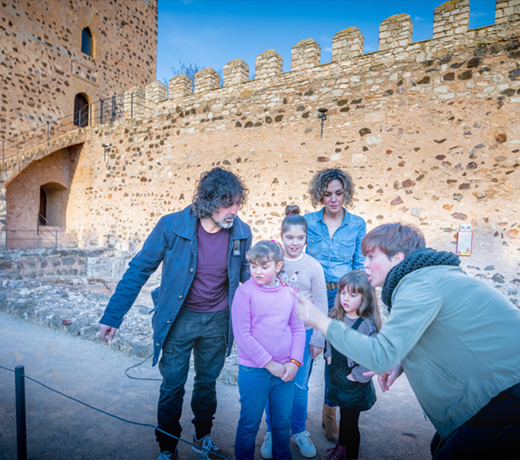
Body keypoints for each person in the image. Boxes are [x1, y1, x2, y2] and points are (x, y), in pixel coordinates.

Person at [295, 223, 520, 459]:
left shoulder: (419, 284)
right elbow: (439, 330)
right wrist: (401, 359)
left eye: (371, 257)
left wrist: (321, 321)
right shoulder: (431, 277)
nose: (365, 264)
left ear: (397, 258)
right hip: (497, 396)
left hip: (504, 400)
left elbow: (379, 356)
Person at [98, 167, 252, 460]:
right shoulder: (172, 226)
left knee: (207, 385)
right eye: (227, 203)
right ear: (208, 201)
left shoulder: (242, 233)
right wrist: (112, 316)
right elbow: (138, 270)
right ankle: (167, 447)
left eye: (237, 203)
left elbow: (248, 281)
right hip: (178, 320)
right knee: (172, 386)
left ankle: (203, 436)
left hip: (218, 321)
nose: (234, 210)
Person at [260, 205, 328, 459]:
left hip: (306, 334)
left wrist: (319, 338)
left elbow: (321, 304)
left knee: (299, 386)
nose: (295, 243)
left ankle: (298, 430)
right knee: (275, 384)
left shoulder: (313, 266)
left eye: (300, 238)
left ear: (306, 239)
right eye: (290, 238)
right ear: (281, 237)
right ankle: (273, 431)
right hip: (276, 335)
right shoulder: (273, 264)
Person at [304, 168, 366, 442]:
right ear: (320, 195)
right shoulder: (307, 222)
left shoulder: (357, 224)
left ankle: (330, 415)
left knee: (336, 359)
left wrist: (355, 303)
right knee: (305, 355)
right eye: (327, 194)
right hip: (313, 297)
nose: (333, 199)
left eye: (338, 193)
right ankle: (294, 416)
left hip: (342, 299)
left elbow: (357, 266)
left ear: (345, 194)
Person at [232, 240, 306, 460]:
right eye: (253, 266)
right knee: (249, 424)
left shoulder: (289, 293)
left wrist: (294, 362)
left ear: (279, 266)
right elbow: (243, 335)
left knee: (282, 423)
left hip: (285, 372)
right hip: (254, 372)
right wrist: (268, 363)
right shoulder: (244, 294)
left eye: (264, 267)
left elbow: (298, 328)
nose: (257, 272)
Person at [322, 270, 381, 460]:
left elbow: (372, 357)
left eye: (353, 295)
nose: (345, 298)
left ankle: (349, 455)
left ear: (365, 298)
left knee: (349, 423)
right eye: (343, 293)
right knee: (343, 419)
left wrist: (355, 375)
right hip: (338, 380)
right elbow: (329, 339)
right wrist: (329, 356)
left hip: (354, 384)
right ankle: (341, 450)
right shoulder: (336, 315)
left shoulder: (367, 325)